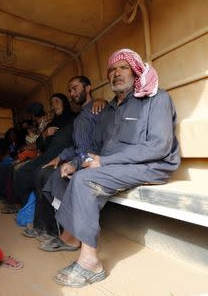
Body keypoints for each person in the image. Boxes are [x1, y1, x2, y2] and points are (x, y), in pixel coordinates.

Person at [47, 49, 180, 287]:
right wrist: (76, 162)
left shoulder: (157, 99)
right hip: (115, 164)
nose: (116, 73)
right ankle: (70, 236)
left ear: (136, 70)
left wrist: (103, 162)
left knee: (85, 180)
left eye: (123, 68)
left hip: (150, 165)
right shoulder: (110, 110)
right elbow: (100, 147)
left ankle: (91, 263)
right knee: (63, 175)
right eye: (112, 70)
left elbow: (159, 147)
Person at [25, 76, 102, 247]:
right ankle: (47, 226)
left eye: (75, 88)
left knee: (53, 176)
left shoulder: (99, 109)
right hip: (76, 156)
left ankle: (66, 232)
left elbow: (97, 145)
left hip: (91, 159)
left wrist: (75, 161)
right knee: (42, 172)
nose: (72, 93)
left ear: (88, 88)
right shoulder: (79, 117)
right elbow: (75, 145)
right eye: (70, 90)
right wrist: (59, 157)